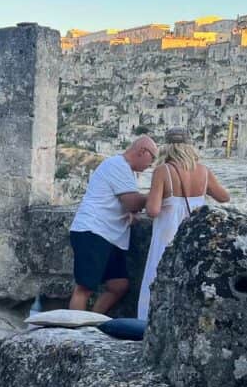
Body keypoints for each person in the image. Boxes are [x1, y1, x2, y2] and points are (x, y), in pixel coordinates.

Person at [137, 127, 230, 320]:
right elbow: (224, 196)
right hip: (194, 239)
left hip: (167, 237)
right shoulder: (203, 171)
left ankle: (149, 323)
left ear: (167, 147)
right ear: (189, 146)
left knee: (157, 280)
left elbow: (153, 210)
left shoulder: (163, 171)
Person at [69, 136, 158, 314]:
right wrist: (157, 194)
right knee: (84, 288)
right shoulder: (117, 166)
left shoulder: (127, 171)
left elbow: (122, 201)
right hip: (93, 230)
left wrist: (131, 212)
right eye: (152, 159)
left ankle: (92, 321)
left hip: (110, 236)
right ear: (142, 152)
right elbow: (131, 201)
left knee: (119, 285)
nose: (151, 165)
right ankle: (73, 334)